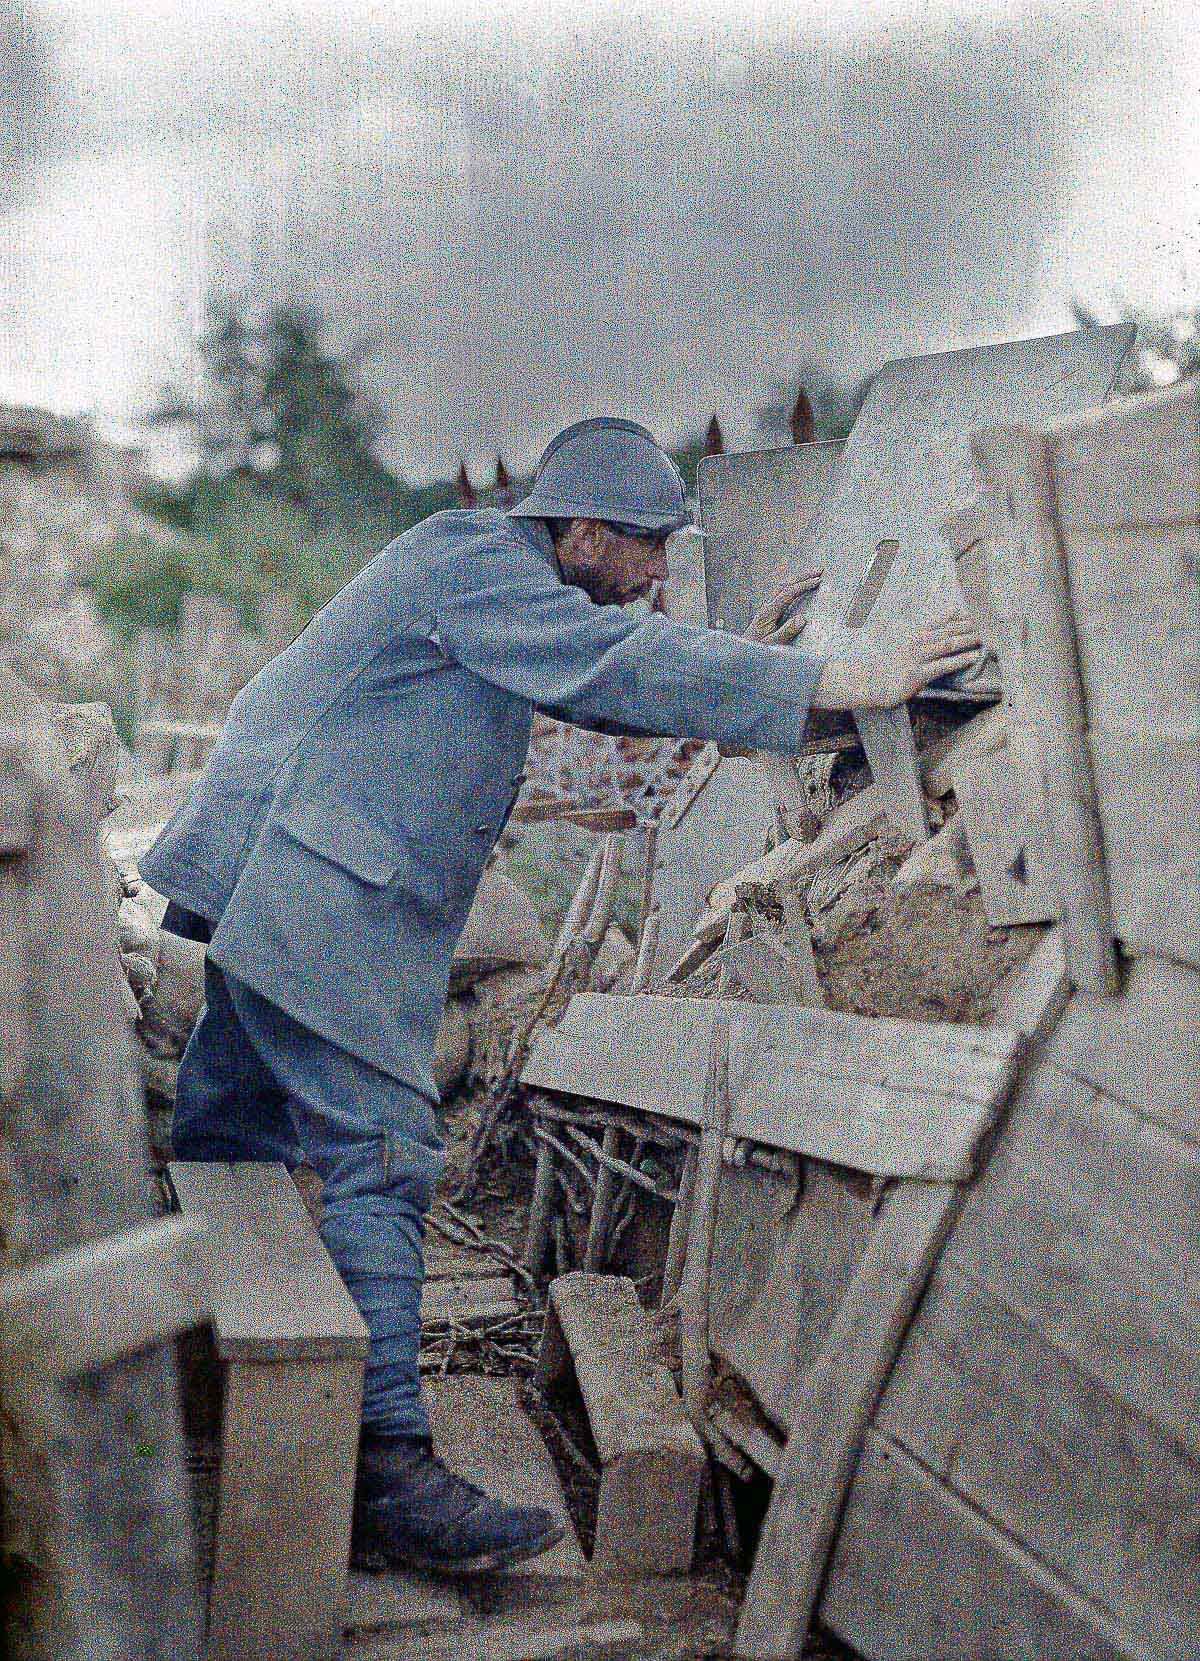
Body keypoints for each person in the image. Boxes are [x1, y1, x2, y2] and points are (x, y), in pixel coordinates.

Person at [140, 417, 979, 1574]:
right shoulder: (474, 558)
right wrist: (837, 675)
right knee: (381, 1151)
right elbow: (615, 667)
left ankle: (183, 1371)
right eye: (641, 547)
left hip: (285, 863)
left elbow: (610, 700)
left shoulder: (492, 591)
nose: (651, 573)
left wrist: (755, 661)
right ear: (575, 528)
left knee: (228, 1124)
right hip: (321, 879)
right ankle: (386, 1473)